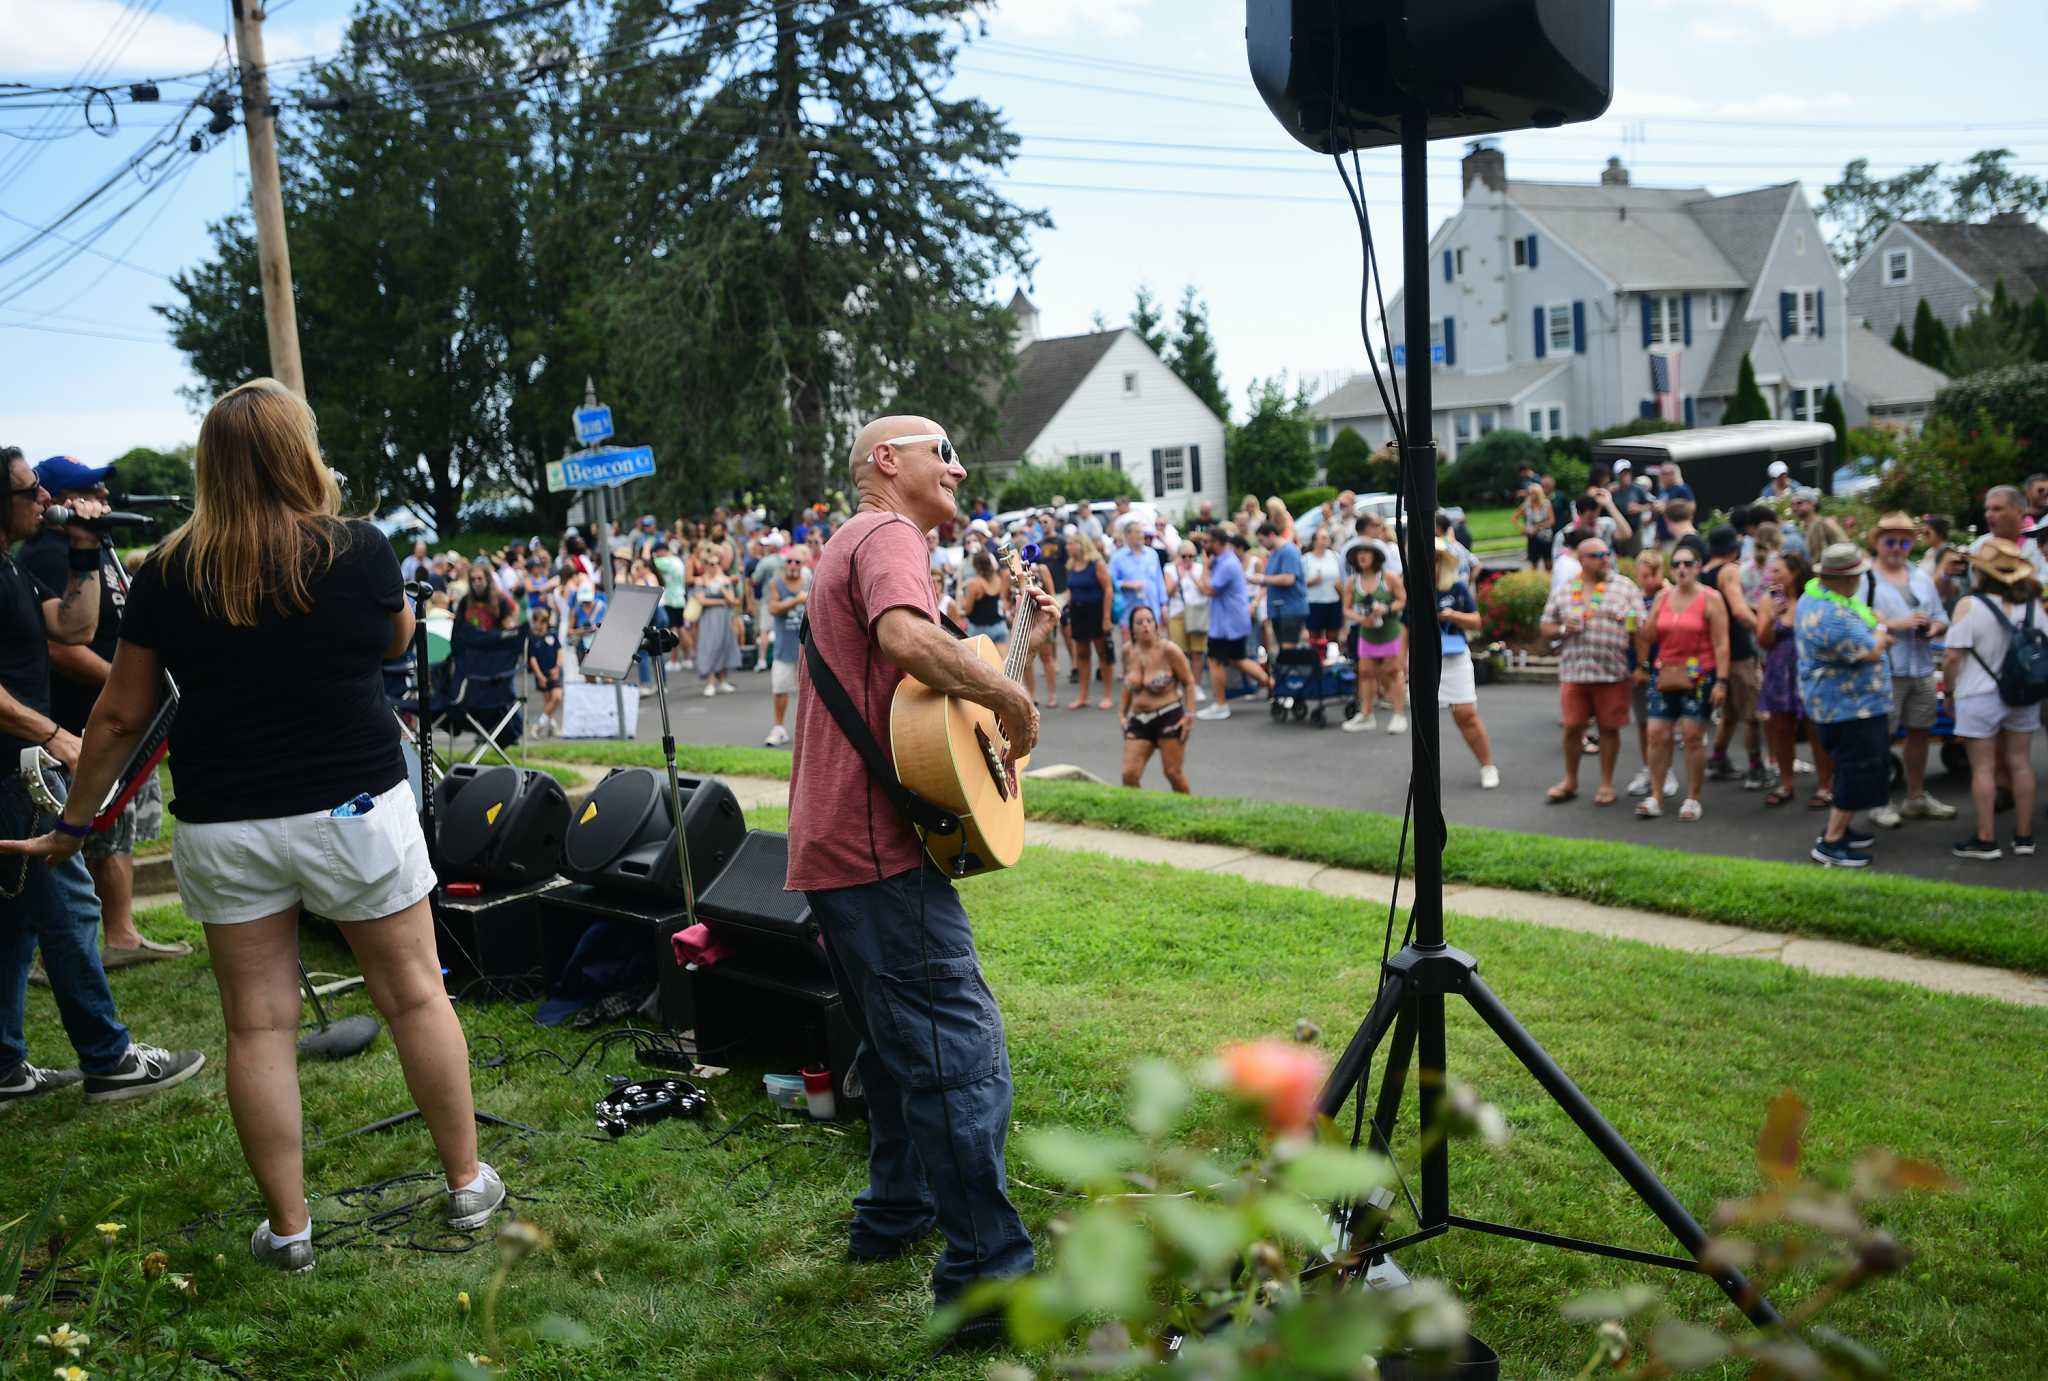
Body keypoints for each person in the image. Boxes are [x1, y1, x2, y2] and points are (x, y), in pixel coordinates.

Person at [5, 382, 504, 1263]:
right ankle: (467, 1185)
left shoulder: (168, 570)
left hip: (225, 821)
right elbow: (395, 644)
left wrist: (74, 825)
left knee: (258, 1027)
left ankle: (291, 1227)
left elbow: (119, 715)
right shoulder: (357, 549)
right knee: (415, 993)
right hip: (354, 806)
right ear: (298, 454)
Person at [786, 415, 1050, 1348]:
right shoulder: (889, 533)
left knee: (899, 1052)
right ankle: (985, 1280)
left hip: (835, 850)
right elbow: (905, 637)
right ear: (886, 463)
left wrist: (1008, 649)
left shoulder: (852, 543)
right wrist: (1008, 694)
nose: (961, 465)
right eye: (943, 449)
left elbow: (911, 696)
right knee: (956, 1051)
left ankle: (895, 1213)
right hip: (877, 853)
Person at [0, 446, 204, 1111]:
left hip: (20, 761)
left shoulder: (13, 571)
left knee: (15, 920)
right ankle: (109, 1058)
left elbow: (73, 624)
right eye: (29, 491)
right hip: (17, 766)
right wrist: (51, 731)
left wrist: (86, 548)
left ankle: (4, 1065)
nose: (41, 500)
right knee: (70, 905)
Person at [19, 457, 187, 966]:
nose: (104, 498)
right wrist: (128, 683)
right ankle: (78, 947)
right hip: (86, 719)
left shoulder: (96, 548)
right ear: (61, 498)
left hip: (132, 714)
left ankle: (121, 933)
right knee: (96, 828)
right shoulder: (49, 554)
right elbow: (58, 646)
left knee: (124, 830)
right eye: (90, 489)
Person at [1943, 538, 2043, 861]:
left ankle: (1986, 839)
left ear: (1981, 572)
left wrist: (1949, 691)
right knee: (2021, 763)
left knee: (1983, 768)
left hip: (1979, 693)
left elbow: (1952, 657)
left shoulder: (1970, 606)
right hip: (2024, 693)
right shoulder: (2035, 606)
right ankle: (2024, 836)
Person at [1856, 512, 1958, 829]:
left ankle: (1915, 796)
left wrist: (1934, 627)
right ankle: (1879, 801)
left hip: (1922, 666)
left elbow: (1942, 616)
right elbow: (1856, 622)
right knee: (1880, 736)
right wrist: (1895, 624)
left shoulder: (1920, 577)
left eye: (1903, 541)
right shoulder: (1865, 580)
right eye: (1890, 541)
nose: (1897, 548)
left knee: (1920, 732)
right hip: (1886, 670)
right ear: (1877, 543)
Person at [1796, 543, 1895, 868]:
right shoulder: (1834, 615)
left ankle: (1841, 829)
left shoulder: (1813, 598)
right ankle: (1832, 842)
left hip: (1839, 706)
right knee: (1857, 770)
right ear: (1847, 579)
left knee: (1849, 768)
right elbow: (1870, 650)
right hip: (1851, 708)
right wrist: (1880, 629)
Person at [1540, 535, 1645, 806]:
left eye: (1606, 554)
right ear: (1582, 560)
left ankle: (1607, 784)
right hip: (1574, 672)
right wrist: (1564, 628)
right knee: (1572, 728)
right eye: (1597, 555)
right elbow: (1545, 626)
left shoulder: (1624, 587)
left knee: (1609, 729)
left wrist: (1630, 627)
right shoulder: (1565, 590)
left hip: (1612, 672)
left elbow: (1642, 628)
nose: (1605, 559)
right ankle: (1570, 781)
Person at [1635, 539, 1729, 820]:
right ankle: (1657, 795)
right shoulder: (1663, 597)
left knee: (1692, 736)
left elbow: (1722, 643)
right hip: (1665, 672)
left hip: (1698, 674)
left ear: (1699, 567)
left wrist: (1722, 681)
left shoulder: (1710, 598)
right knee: (1656, 734)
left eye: (1688, 563)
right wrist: (1638, 619)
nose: (1682, 569)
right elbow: (1649, 635)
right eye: (1676, 564)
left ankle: (1693, 797)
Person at [1754, 552, 1832, 809]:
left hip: (1809, 668)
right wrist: (1774, 617)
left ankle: (1826, 785)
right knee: (1781, 728)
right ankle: (1786, 782)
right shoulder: (1769, 600)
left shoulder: (1813, 598)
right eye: (1771, 571)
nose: (1772, 576)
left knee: (1815, 728)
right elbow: (1763, 641)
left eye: (1778, 571)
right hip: (1779, 670)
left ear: (1795, 573)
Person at [1423, 539, 1498, 788]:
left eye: (1434, 558)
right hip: (1423, 659)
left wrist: (1453, 616)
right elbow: (1405, 628)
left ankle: (1487, 765)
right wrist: (1403, 663)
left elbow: (1477, 622)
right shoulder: (1414, 589)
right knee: (1423, 721)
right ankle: (1425, 777)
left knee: (1466, 714)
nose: (1429, 563)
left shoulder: (1456, 588)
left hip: (1453, 657)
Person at [1700, 526, 1766, 790]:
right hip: (1737, 651)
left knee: (1730, 712)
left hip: (1714, 651)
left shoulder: (1703, 573)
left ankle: (1717, 759)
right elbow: (1738, 610)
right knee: (1751, 713)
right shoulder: (1729, 571)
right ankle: (1755, 769)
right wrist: (1764, 631)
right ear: (1734, 548)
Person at [1194, 525, 1272, 719]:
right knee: (1239, 660)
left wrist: (1203, 568)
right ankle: (1276, 687)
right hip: (1231, 621)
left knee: (1215, 661)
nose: (1205, 545)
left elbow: (1209, 589)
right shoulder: (1224, 560)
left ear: (1218, 543)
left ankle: (1220, 704)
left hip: (1226, 625)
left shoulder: (1227, 563)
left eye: (1208, 542)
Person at [1119, 606, 1196, 793]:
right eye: (1139, 622)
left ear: (1156, 625)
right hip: (1139, 719)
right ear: (1132, 629)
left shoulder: (1169, 650)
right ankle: (1141, 812)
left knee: (1173, 773)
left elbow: (1188, 682)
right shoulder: (1128, 651)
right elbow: (1128, 684)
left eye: (1149, 621)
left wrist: (1189, 715)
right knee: (1129, 775)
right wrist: (1122, 713)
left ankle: (1189, 812)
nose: (1145, 625)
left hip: (1169, 716)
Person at [1623, 549, 1678, 800]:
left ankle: (1665, 771)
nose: (1643, 581)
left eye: (1647, 576)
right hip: (1638, 668)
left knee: (1663, 726)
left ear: (1659, 573)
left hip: (1663, 668)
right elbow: (1632, 633)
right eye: (1640, 575)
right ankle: (1649, 768)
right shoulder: (1635, 598)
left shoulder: (1670, 597)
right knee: (1644, 724)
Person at [1340, 541, 1407, 734]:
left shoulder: (1389, 578)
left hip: (1390, 632)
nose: (1362, 556)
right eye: (1358, 553)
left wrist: (1385, 609)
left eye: (1366, 553)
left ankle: (1399, 715)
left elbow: (1402, 600)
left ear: (1375, 557)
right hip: (1367, 633)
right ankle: (1367, 714)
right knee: (1366, 672)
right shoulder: (1353, 582)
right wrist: (1361, 618)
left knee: (1394, 671)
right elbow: (1346, 608)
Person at [763, 547, 809, 747]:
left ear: (802, 565)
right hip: (784, 647)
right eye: (789, 561)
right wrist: (796, 601)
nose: (792, 565)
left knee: (808, 693)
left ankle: (808, 732)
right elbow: (773, 608)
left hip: (807, 648)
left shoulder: (810, 581)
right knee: (780, 689)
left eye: (796, 562)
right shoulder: (776, 583)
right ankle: (779, 728)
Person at [1064, 533, 1114, 711]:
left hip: (1096, 611)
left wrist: (1106, 617)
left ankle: (1107, 695)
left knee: (1103, 653)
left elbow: (1108, 590)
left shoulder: (1096, 564)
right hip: (1078, 613)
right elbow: (1070, 591)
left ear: (1081, 544)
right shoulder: (1070, 566)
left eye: (1071, 543)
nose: (1068, 547)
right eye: (1068, 544)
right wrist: (1068, 614)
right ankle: (1083, 696)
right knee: (1082, 654)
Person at [1971, 485, 2047, 581]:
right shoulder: (1978, 545)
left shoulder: (2041, 545)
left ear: (2019, 512)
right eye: (1987, 509)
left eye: (1997, 509)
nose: (1988, 515)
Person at [1108, 520, 1164, 649]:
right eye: (1138, 532)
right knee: (1130, 648)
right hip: (1128, 609)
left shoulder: (1152, 554)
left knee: (1154, 646)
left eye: (1142, 532)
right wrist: (1127, 584)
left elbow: (1159, 580)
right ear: (1127, 535)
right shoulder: (1117, 557)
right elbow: (1110, 582)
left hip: (1151, 607)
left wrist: (1163, 605)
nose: (1141, 535)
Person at [694, 546, 741, 696]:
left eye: (715, 563)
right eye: (709, 563)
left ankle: (723, 681)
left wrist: (721, 590)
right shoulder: (701, 580)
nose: (713, 567)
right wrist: (719, 602)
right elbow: (701, 600)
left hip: (725, 618)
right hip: (709, 618)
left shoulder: (724, 580)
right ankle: (711, 682)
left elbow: (732, 601)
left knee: (725, 645)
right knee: (710, 647)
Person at [1253, 520, 1308, 647]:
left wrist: (1262, 578)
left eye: (1262, 540)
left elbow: (1289, 579)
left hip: (1290, 609)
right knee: (1282, 651)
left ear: (1271, 535)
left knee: (1289, 650)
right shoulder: (1274, 554)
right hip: (1278, 610)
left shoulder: (1288, 551)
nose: (1262, 545)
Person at [1172, 542, 1210, 702]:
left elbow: (1205, 589)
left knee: (1197, 651)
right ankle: (1182, 685)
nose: (1187, 559)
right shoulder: (1170, 569)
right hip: (1177, 612)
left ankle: (1196, 686)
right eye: (1184, 556)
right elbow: (1167, 592)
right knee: (1179, 652)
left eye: (1191, 556)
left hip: (1197, 612)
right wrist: (1179, 576)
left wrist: (1193, 575)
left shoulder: (1200, 569)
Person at [1300, 524, 1344, 653]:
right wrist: (1311, 581)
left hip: (1333, 601)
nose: (1326, 540)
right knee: (1314, 636)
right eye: (1323, 538)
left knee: (1333, 636)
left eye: (1327, 538)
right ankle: (1316, 661)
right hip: (1314, 602)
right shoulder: (1306, 559)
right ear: (1315, 541)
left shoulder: (1335, 556)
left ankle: (1333, 662)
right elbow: (1298, 583)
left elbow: (1342, 576)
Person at [953, 548, 1010, 643]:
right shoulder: (998, 578)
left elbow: (967, 610)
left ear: (975, 565)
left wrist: (960, 594)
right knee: (1001, 658)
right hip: (1000, 626)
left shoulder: (974, 583)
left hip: (979, 630)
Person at [524, 604, 564, 737]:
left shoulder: (552, 634)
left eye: (545, 621)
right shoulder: (532, 639)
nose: (542, 624)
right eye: (540, 621)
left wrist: (557, 667)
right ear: (534, 622)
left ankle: (538, 725)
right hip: (542, 673)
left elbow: (559, 651)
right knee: (548, 702)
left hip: (554, 671)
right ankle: (552, 726)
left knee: (557, 697)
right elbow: (533, 659)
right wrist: (539, 676)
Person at [1515, 481, 1554, 571]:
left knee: (1548, 562)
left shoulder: (1546, 504)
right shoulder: (1527, 505)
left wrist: (1538, 527)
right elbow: (1514, 518)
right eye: (1530, 493)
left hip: (1545, 536)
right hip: (1532, 536)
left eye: (1534, 493)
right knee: (1534, 562)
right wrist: (1523, 528)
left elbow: (1551, 521)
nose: (1532, 496)